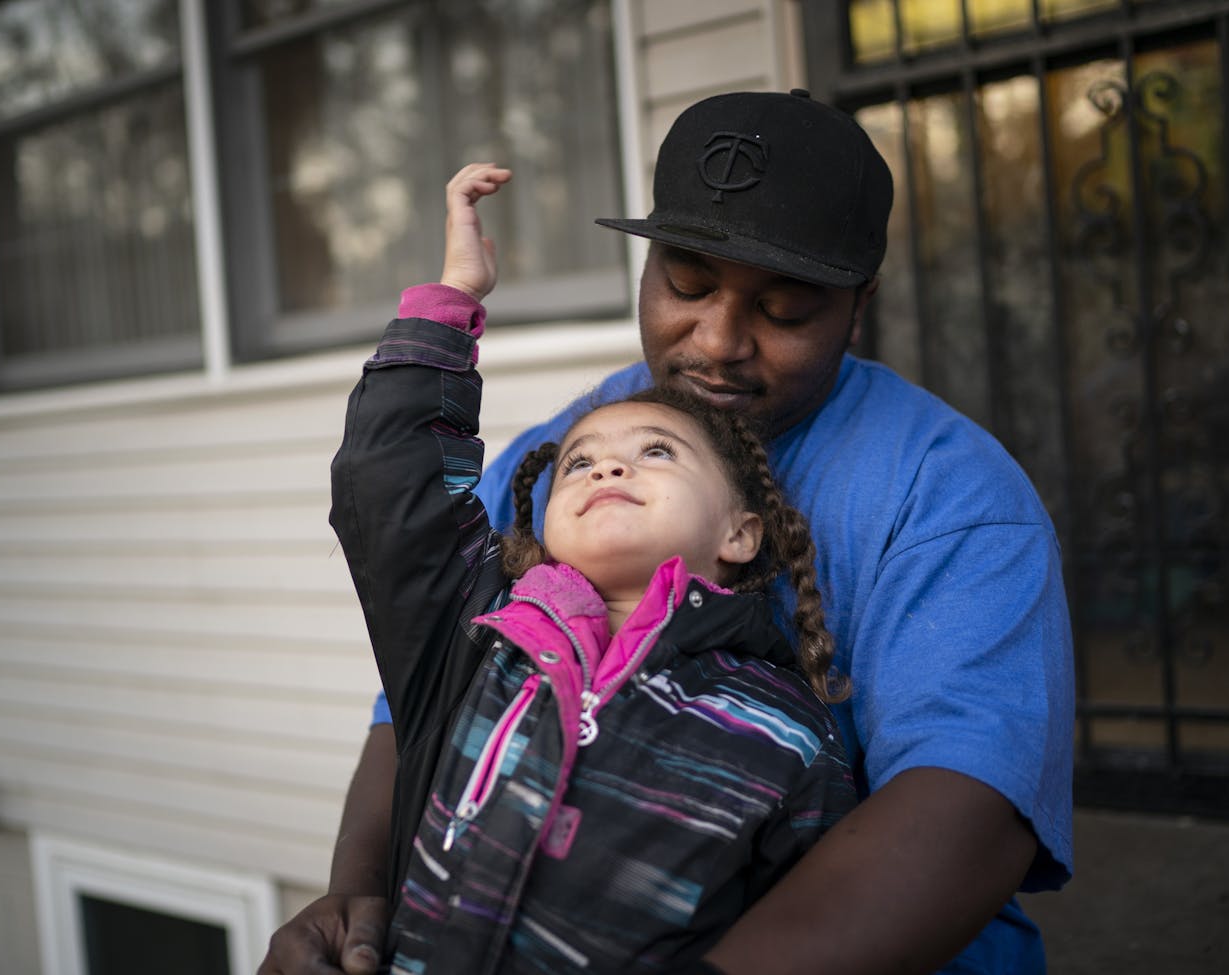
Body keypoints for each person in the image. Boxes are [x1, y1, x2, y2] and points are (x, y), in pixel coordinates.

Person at [260, 89, 1074, 975]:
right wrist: (360, 892)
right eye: (687, 284)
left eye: (785, 310)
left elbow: (970, 811)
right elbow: (424, 693)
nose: (719, 339)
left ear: (857, 301)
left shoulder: (950, 496)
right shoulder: (561, 460)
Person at [326, 161, 857, 973]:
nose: (609, 470)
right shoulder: (471, 641)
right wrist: (452, 301)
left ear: (742, 533)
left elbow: (815, 928)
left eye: (655, 452)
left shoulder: (787, 734)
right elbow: (388, 486)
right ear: (538, 520)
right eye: (579, 463)